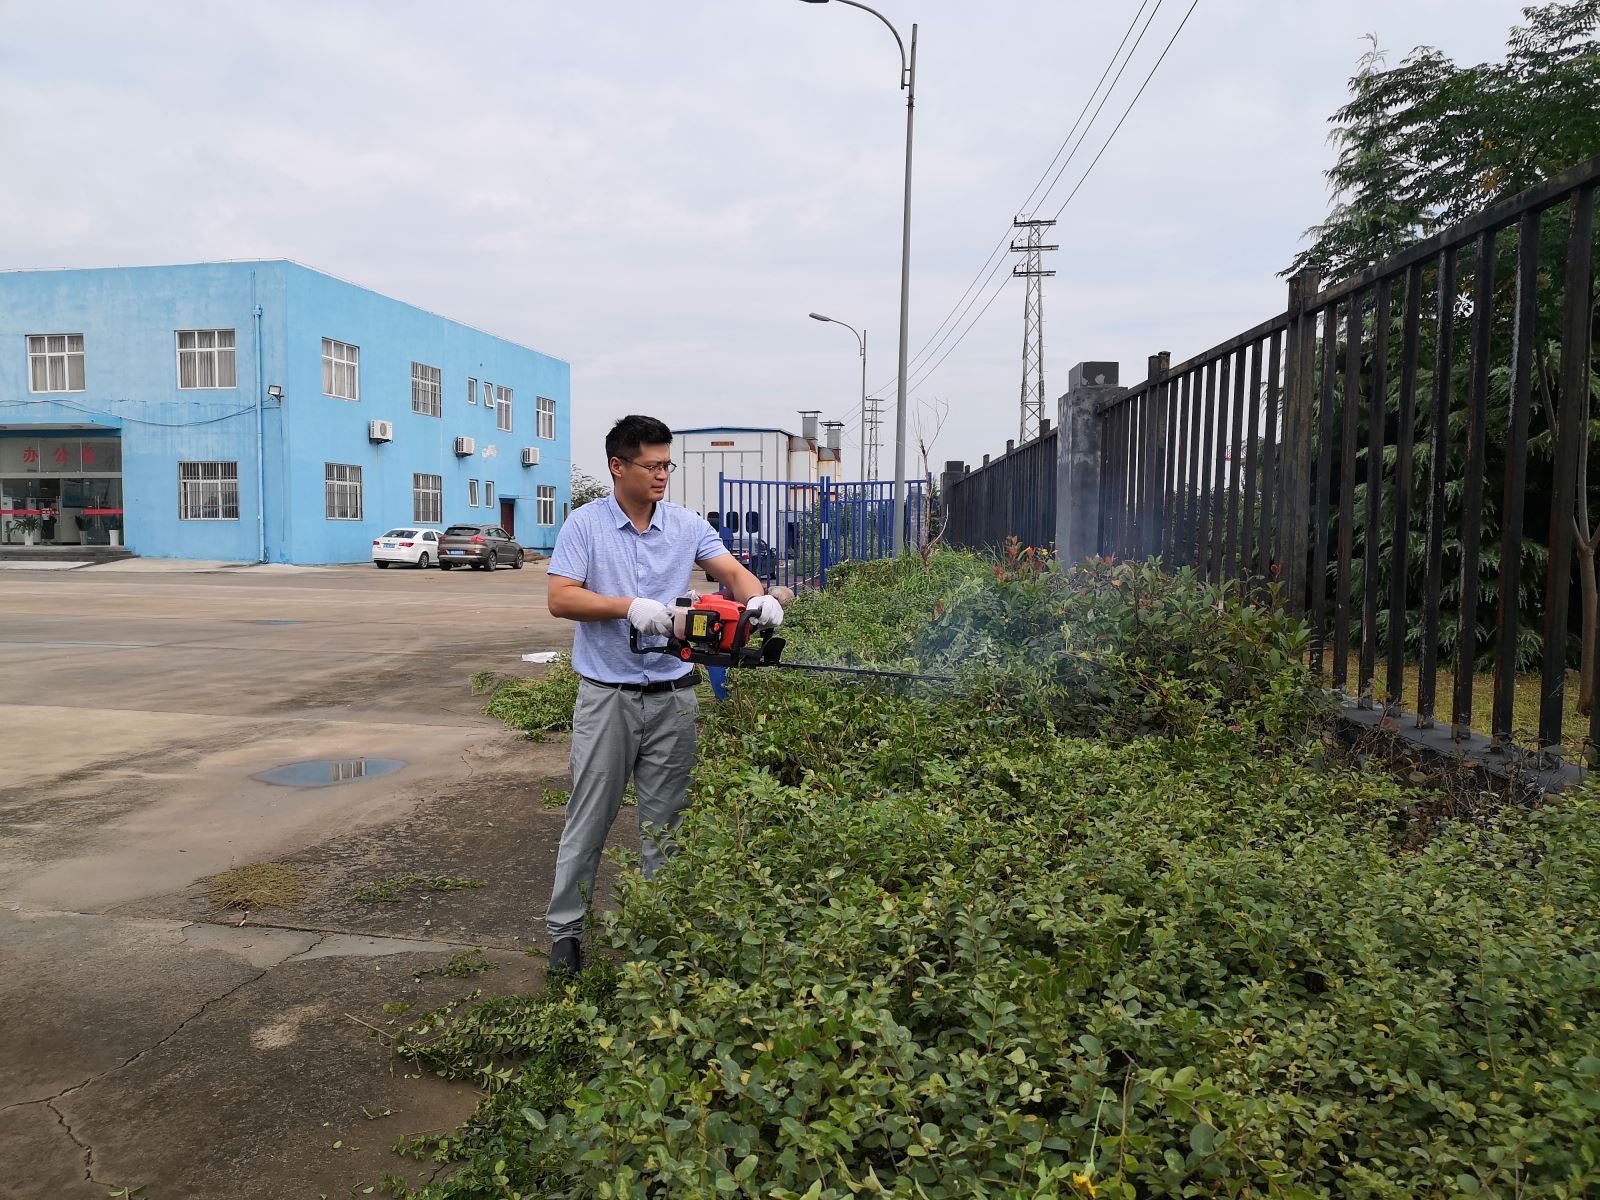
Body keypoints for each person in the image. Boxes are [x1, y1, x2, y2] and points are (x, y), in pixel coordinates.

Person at [542, 414, 781, 974]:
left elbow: (731, 573)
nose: (661, 475)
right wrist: (627, 607)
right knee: (590, 817)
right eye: (650, 465)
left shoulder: (685, 525)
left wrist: (758, 599)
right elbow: (561, 598)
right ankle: (566, 932)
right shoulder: (585, 525)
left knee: (666, 822)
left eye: (666, 465)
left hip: (674, 695)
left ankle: (661, 929)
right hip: (608, 697)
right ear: (617, 466)